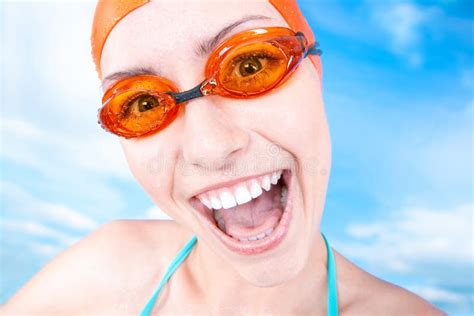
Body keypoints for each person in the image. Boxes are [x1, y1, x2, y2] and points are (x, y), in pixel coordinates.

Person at [2, 0, 446, 315]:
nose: (209, 148)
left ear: (315, 72)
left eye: (250, 65)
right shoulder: (103, 273)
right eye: (141, 105)